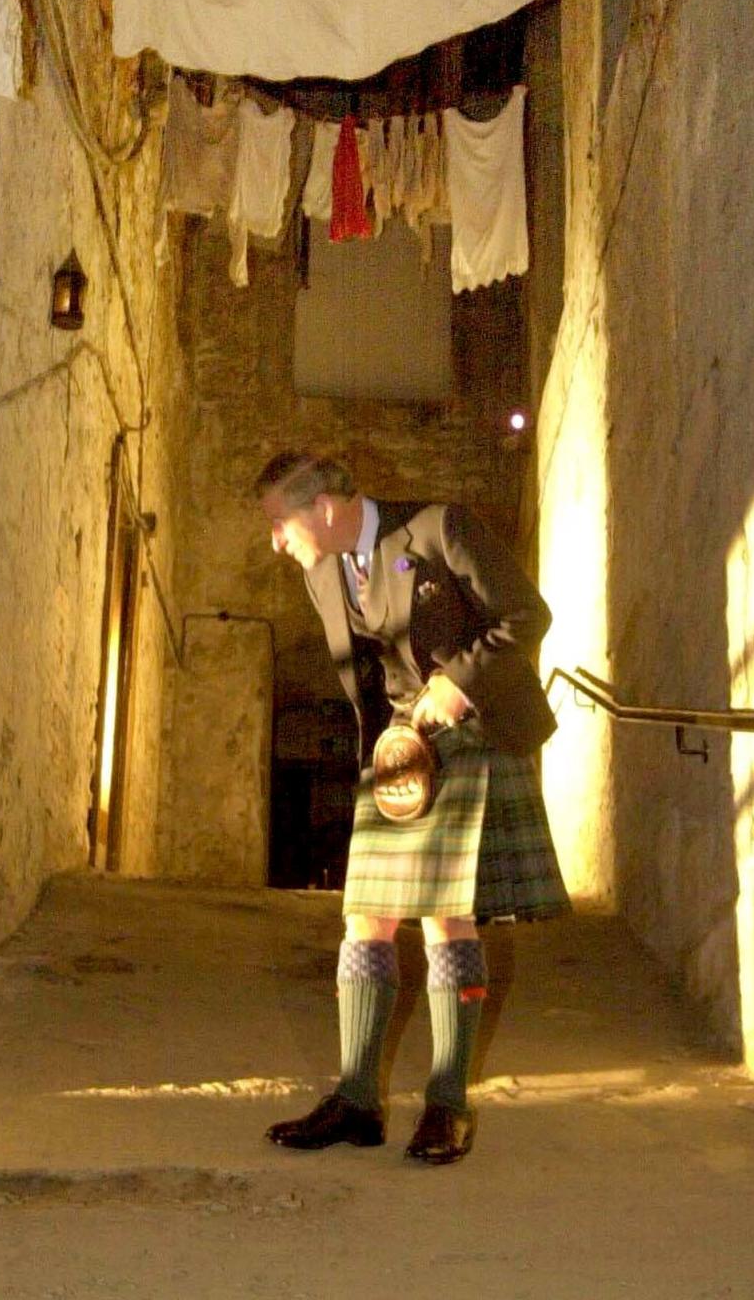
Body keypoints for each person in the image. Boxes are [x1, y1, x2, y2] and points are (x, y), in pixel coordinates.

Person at [255, 450, 568, 1165]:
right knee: (364, 914)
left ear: (324, 508)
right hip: (398, 749)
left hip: (469, 730)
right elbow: (366, 675)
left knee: (445, 916)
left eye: (280, 520)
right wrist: (379, 756)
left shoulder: (437, 528)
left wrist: (458, 682)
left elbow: (527, 614)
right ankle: (358, 1100)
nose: (276, 538)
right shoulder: (322, 572)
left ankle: (448, 1106)